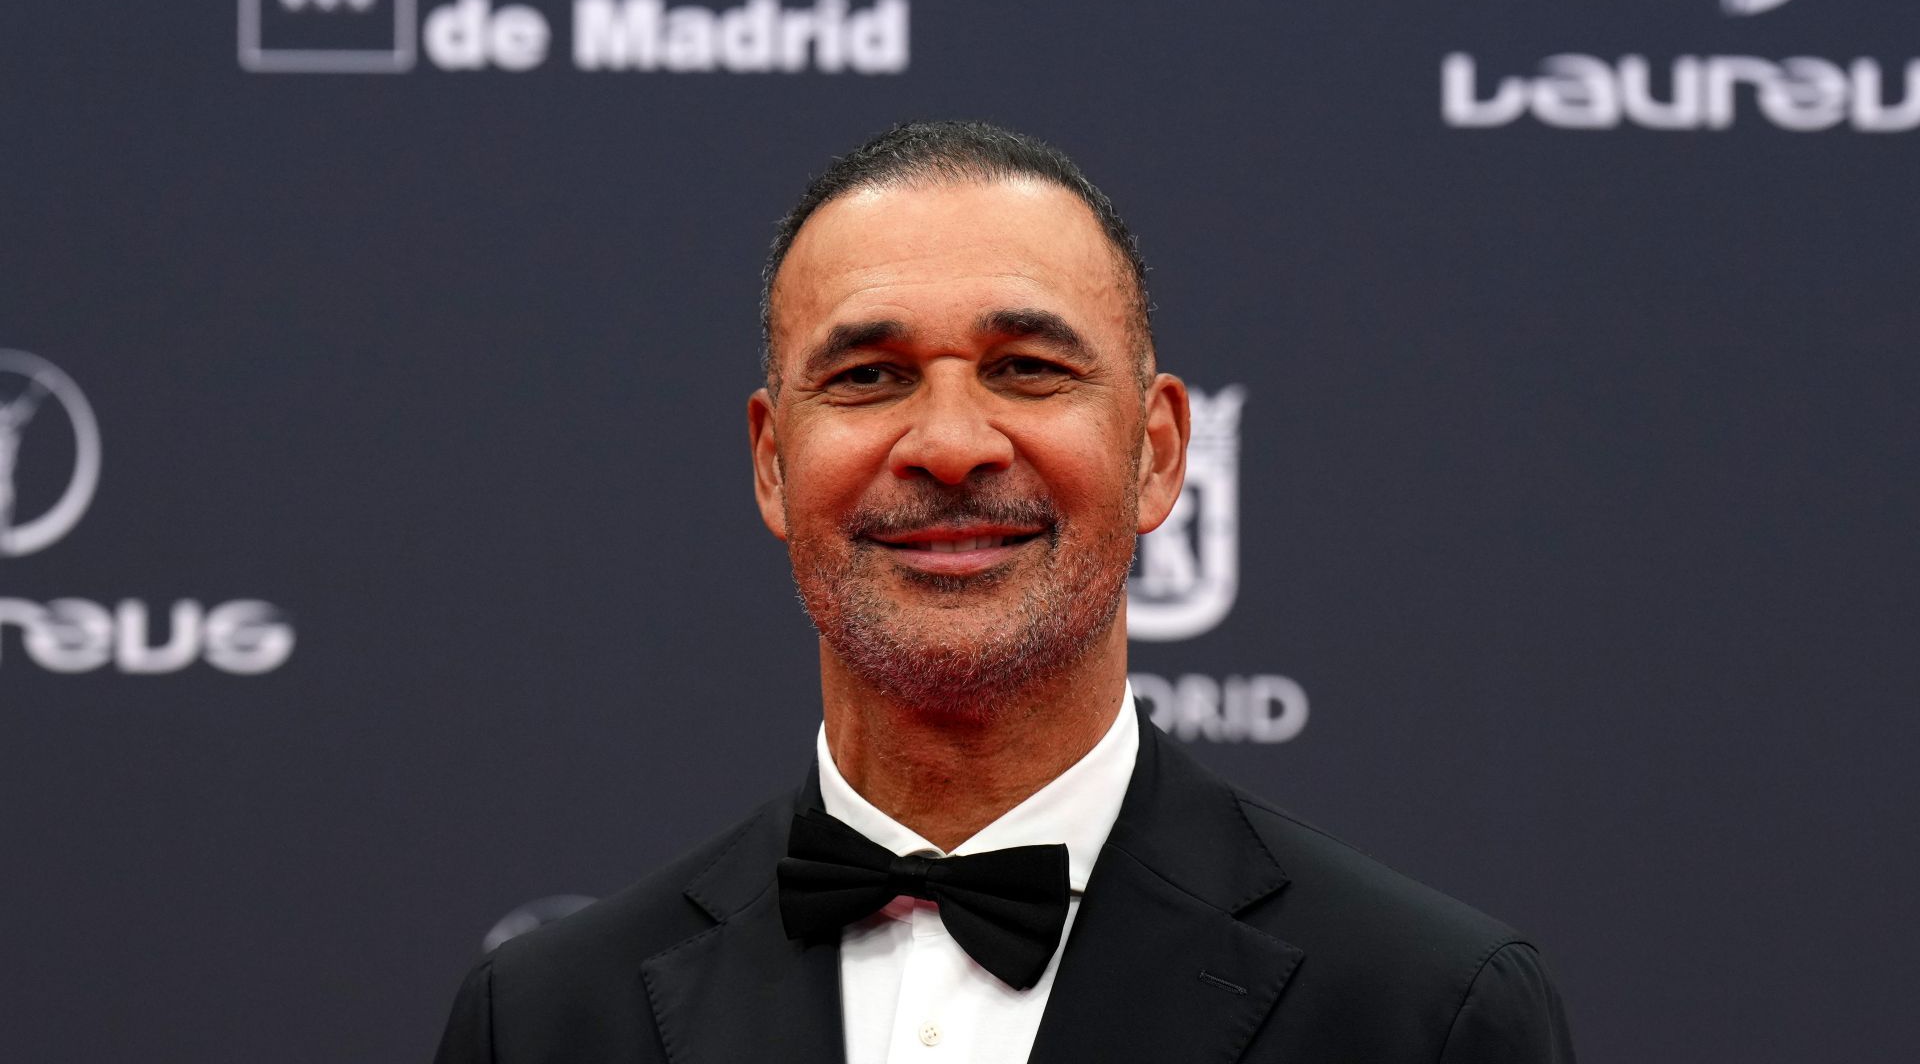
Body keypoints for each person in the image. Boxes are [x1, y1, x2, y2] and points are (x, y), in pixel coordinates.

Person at [433, 120, 1577, 1063]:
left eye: (1028, 369)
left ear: (1159, 451)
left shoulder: (1425, 1014)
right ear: (773, 461)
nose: (947, 443)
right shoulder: (544, 1024)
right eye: (869, 376)